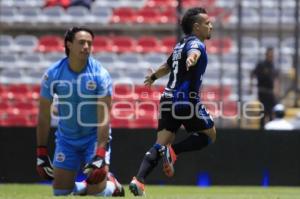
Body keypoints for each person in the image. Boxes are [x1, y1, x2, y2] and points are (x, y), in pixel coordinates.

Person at [129, 7, 216, 196]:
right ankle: (173, 151)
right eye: (207, 23)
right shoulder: (196, 44)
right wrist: (192, 59)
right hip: (186, 101)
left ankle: (139, 180)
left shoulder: (179, 45)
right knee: (209, 135)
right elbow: (195, 52)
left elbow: (166, 66)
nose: (211, 26)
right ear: (196, 27)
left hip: (167, 99)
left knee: (160, 143)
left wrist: (153, 77)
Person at [36, 27, 124, 196]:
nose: (86, 46)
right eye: (81, 42)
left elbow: (104, 118)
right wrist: (41, 151)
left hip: (93, 138)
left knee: (96, 192)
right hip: (66, 139)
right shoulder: (53, 74)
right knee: (60, 191)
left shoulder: (100, 74)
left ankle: (112, 185)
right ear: (69, 45)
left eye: (89, 43)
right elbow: (44, 116)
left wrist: (100, 152)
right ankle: (86, 184)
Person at [250, 47, 280, 129]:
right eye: (270, 55)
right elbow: (253, 74)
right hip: (263, 92)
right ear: (266, 55)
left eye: (272, 55)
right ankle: (261, 131)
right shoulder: (261, 65)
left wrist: (276, 90)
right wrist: (251, 87)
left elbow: (276, 79)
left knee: (271, 113)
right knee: (263, 112)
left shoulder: (273, 66)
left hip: (271, 93)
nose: (271, 56)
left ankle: (270, 131)